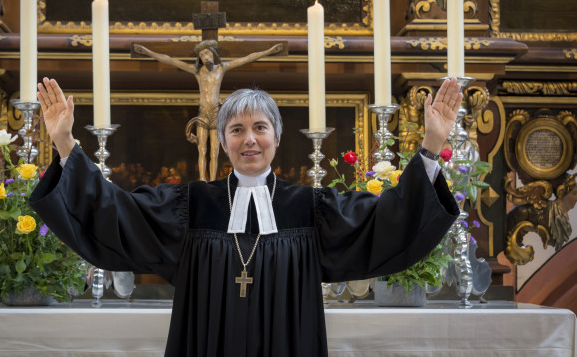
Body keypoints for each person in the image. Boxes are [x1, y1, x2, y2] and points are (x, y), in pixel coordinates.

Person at [30, 77, 462, 356]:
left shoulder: (311, 208)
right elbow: (115, 214)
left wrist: (429, 146)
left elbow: (386, 221)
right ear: (222, 141)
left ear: (277, 136)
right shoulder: (190, 205)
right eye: (236, 130)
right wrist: (67, 144)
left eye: (260, 127)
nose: (249, 139)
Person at [133, 40, 284, 182]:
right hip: (203, 113)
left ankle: (212, 180)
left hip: (215, 113)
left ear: (213, 54)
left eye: (208, 53)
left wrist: (270, 51)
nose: (206, 57)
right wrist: (146, 52)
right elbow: (170, 60)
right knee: (202, 149)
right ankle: (202, 180)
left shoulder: (221, 68)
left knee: (215, 152)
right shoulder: (197, 71)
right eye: (203, 55)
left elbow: (247, 58)